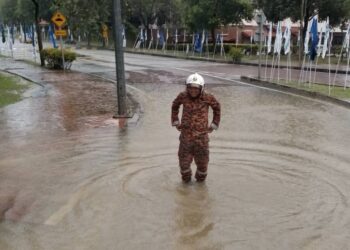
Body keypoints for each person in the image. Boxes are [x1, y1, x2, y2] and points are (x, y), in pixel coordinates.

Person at [171, 73, 221, 183]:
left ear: (201, 88)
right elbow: (175, 105)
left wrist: (214, 124)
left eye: (196, 89)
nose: (193, 91)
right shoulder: (183, 96)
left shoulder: (208, 97)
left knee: (202, 168)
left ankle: (200, 189)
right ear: (187, 87)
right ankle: (185, 189)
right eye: (191, 88)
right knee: (184, 167)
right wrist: (175, 121)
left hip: (202, 139)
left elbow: (217, 108)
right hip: (185, 138)